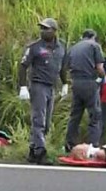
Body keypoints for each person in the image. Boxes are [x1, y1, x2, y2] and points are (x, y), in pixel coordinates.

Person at [18, 17, 69, 164]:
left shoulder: (61, 47)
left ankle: (33, 150)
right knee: (38, 120)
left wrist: (65, 84)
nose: (42, 31)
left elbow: (62, 67)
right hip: (38, 85)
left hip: (51, 86)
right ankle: (40, 152)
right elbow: (23, 66)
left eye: (46, 28)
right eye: (41, 28)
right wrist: (23, 86)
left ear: (54, 31)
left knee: (46, 123)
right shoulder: (35, 47)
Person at [64, 29, 106, 152]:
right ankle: (93, 146)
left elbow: (64, 68)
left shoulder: (73, 47)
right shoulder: (94, 45)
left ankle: (69, 145)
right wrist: (102, 78)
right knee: (95, 115)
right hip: (89, 82)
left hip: (76, 83)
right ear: (93, 36)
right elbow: (100, 68)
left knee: (75, 115)